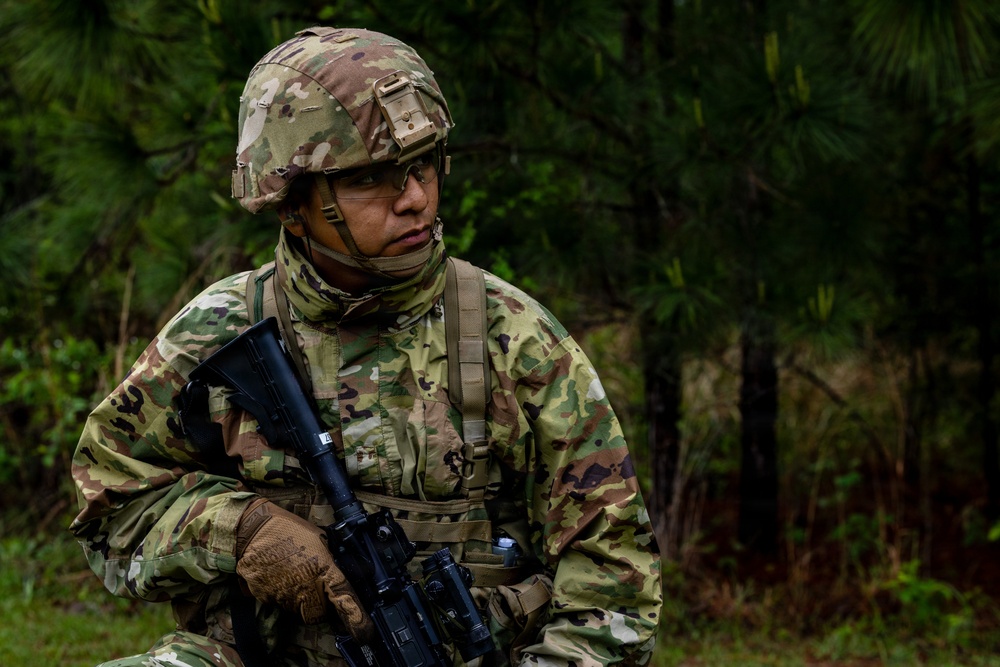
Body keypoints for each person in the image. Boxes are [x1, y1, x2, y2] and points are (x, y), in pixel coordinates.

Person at [70, 26, 661, 667]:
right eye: (372, 178)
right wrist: (238, 531)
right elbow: (109, 511)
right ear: (292, 202)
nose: (415, 200)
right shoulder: (220, 330)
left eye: (423, 164)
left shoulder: (512, 339)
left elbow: (615, 588)